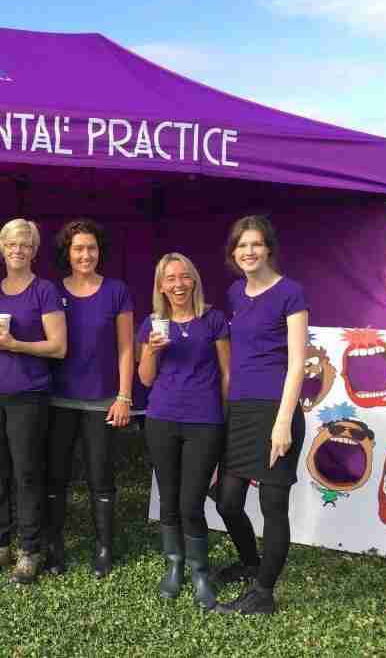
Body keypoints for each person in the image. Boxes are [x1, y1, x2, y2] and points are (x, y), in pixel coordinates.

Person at [213, 215, 308, 615]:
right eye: (241, 246)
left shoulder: (290, 292)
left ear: (268, 248)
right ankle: (251, 563)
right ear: (233, 253)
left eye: (255, 244)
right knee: (226, 500)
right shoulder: (235, 293)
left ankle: (263, 593)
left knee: (273, 505)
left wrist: (283, 422)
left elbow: (298, 363)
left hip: (274, 410)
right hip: (240, 410)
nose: (248, 251)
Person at [0, 219, 66, 584]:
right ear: (1, 247)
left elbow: (58, 347)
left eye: (25, 245)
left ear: (34, 251)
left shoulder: (44, 290)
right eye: (12, 244)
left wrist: (16, 345)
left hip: (28, 393)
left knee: (26, 473)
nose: (18, 250)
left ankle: (30, 549)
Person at [138, 253, 230, 608]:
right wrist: (152, 352)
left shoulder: (213, 319)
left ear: (194, 281)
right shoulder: (153, 324)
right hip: (161, 418)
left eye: (184, 276)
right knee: (169, 497)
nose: (178, 284)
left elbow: (227, 373)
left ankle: (200, 571)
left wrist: (227, 415)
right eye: (170, 278)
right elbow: (146, 379)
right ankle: (174, 565)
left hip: (204, 420)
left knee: (192, 502)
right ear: (161, 286)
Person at [46, 219, 133, 579]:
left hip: (102, 400)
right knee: (55, 477)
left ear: (100, 251)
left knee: (101, 476)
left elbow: (126, 348)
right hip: (57, 399)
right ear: (67, 253)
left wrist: (124, 396)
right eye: (78, 248)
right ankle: (54, 547)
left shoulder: (116, 290)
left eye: (91, 248)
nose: (85, 254)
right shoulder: (51, 290)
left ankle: (103, 548)